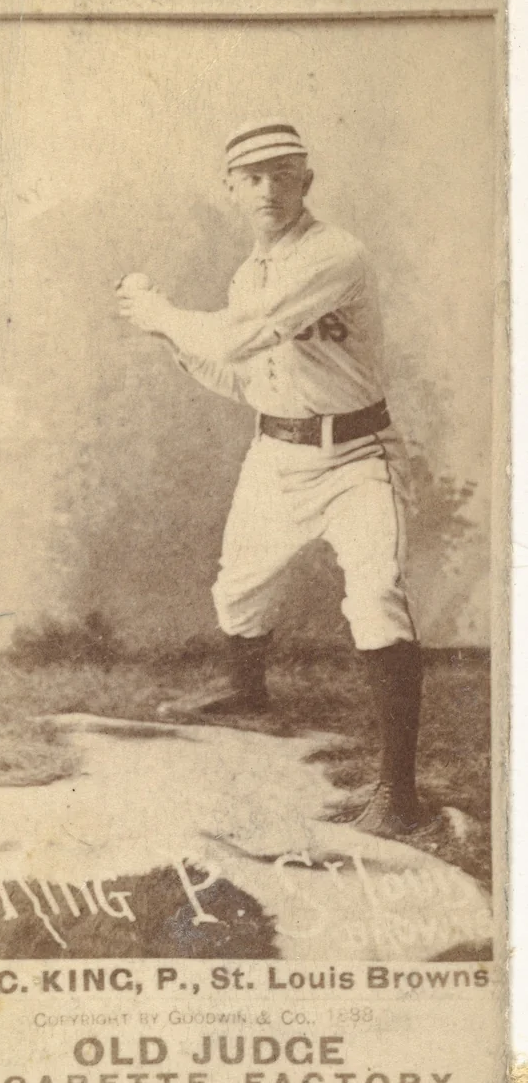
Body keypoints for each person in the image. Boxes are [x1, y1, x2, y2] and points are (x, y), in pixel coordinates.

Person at [116, 118, 423, 838]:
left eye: (283, 173)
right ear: (230, 189)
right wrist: (167, 335)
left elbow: (236, 334)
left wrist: (158, 310)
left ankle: (398, 795)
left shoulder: (336, 254)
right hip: (277, 455)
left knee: (375, 595)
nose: (268, 188)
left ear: (306, 182)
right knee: (237, 586)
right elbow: (246, 374)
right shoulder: (247, 272)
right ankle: (246, 695)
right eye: (251, 177)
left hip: (356, 457)